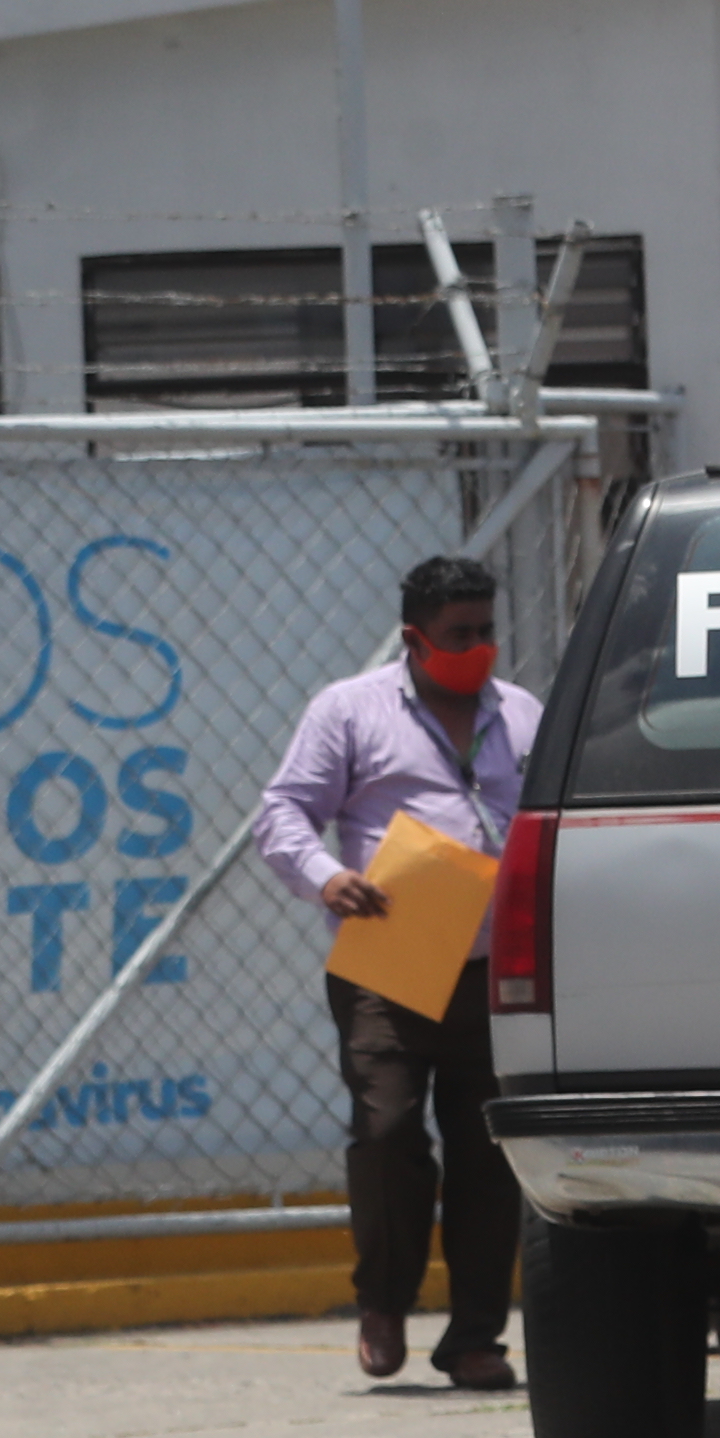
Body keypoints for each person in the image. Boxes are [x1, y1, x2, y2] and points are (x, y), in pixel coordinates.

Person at [250, 555, 542, 1387]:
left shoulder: (521, 714)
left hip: (494, 971)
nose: (478, 648)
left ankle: (476, 1337)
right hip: (390, 965)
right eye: (459, 635)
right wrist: (326, 877)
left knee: (488, 1156)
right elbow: (284, 813)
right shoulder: (350, 710)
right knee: (387, 1135)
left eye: (487, 631)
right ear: (414, 638)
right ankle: (384, 1299)